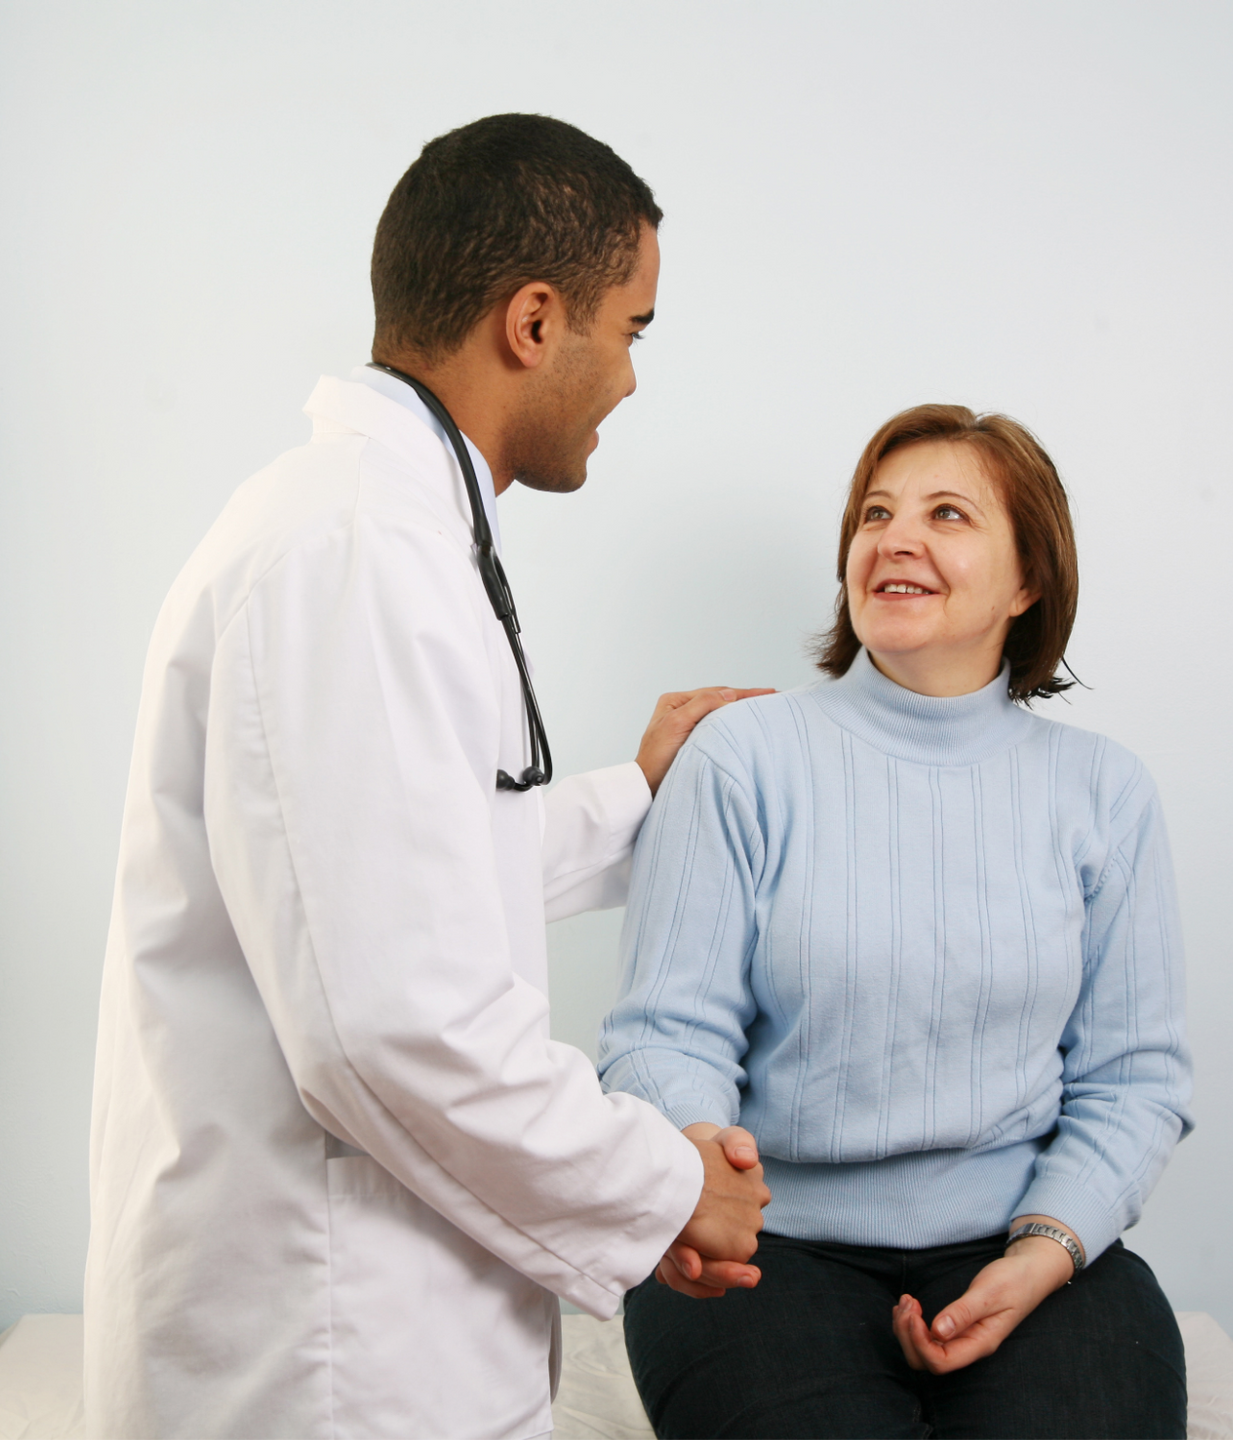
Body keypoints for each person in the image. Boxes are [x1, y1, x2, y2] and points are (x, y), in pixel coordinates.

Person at [83, 114, 772, 1441]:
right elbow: (396, 1022)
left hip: (380, 1336)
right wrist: (662, 1184)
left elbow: (404, 869)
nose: (633, 379)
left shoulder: (381, 531)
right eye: (631, 329)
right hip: (326, 1363)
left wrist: (639, 797)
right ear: (535, 322)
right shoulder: (355, 555)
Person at [599, 404, 1196, 1439]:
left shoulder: (1105, 791)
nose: (895, 538)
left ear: (1029, 578)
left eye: (947, 513)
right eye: (875, 514)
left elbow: (1135, 1075)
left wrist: (1043, 1252)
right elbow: (663, 1033)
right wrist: (702, 1170)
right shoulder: (740, 757)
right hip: (769, 1249)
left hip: (1017, 1240)